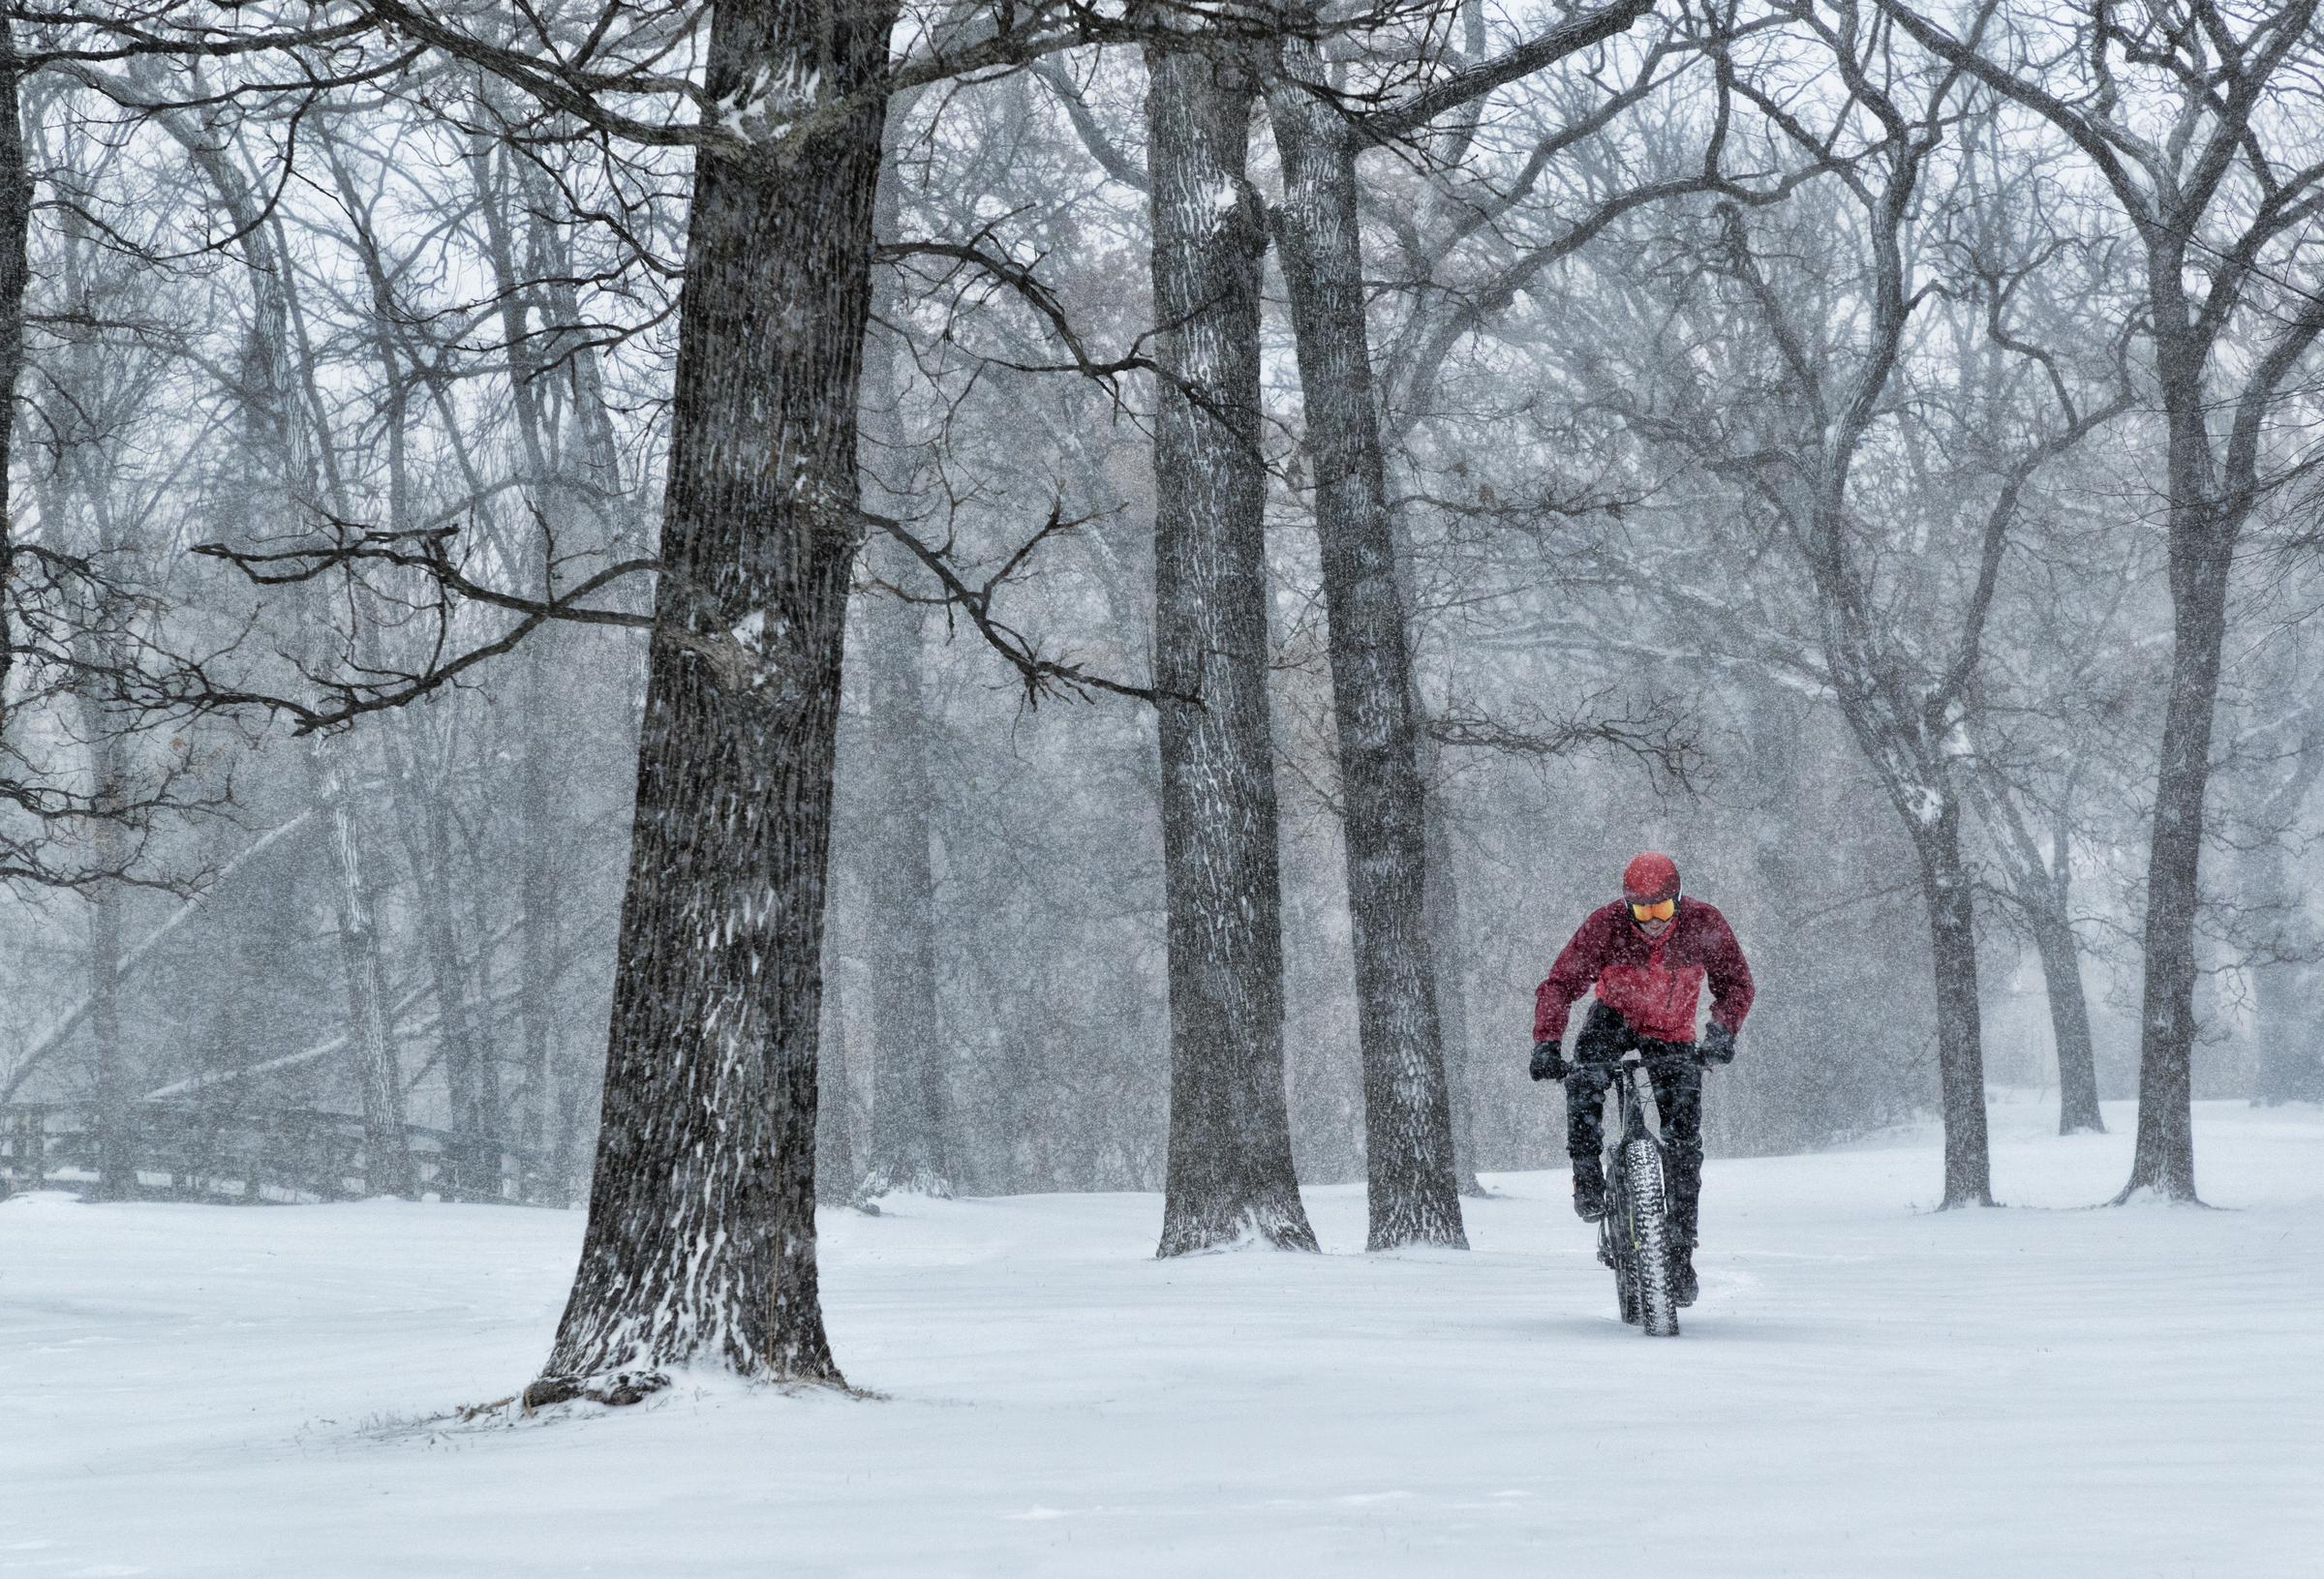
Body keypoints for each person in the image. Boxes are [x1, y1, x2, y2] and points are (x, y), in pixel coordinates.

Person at [1529, 852, 1754, 1306]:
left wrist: (1721, 1034)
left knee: (1684, 1138)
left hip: (1671, 1032)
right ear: (1626, 904)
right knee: (1585, 1080)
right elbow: (1559, 984)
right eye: (1642, 910)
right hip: (1613, 1018)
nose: (1652, 921)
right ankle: (1587, 1175)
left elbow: (1736, 984)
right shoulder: (1605, 926)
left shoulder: (1703, 923)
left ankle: (1680, 1248)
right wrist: (1547, 1042)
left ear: (1678, 899)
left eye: (1662, 909)